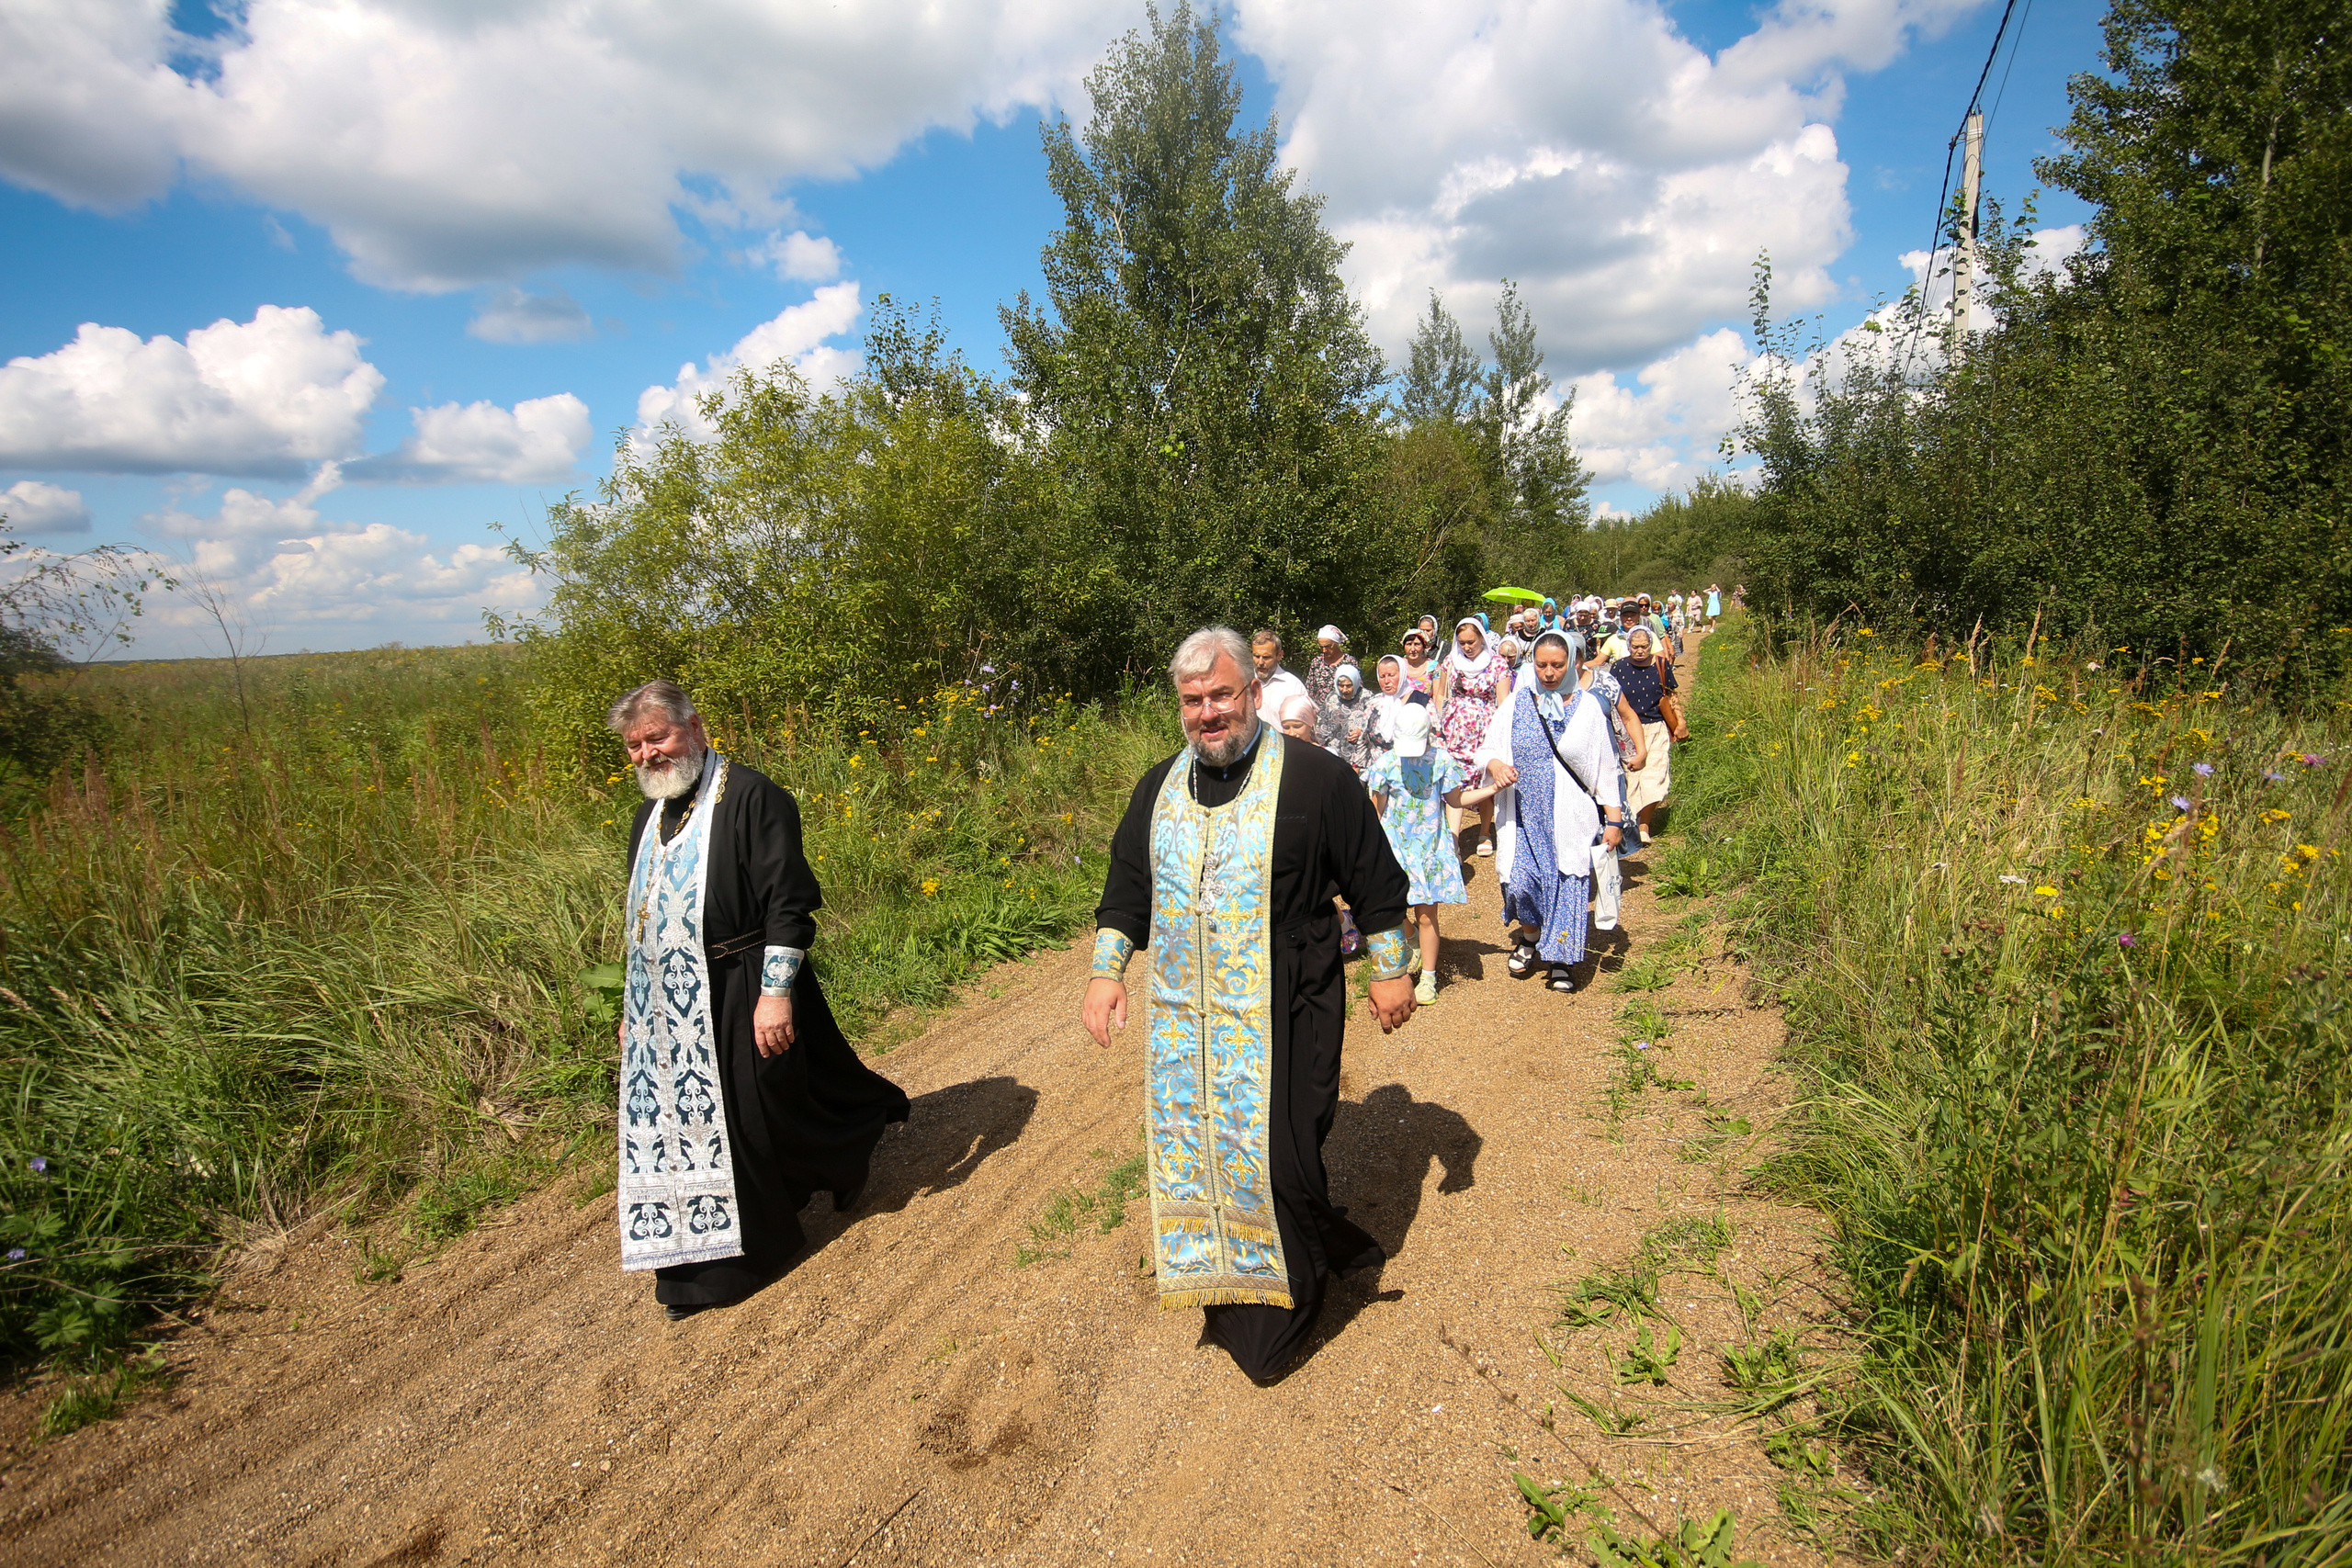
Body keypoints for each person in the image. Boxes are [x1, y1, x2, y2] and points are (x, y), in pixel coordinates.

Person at [1084, 627, 1416, 1384]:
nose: (1209, 713)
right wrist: (1107, 973)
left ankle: (1292, 1295)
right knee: (1206, 1154)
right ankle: (1239, 1279)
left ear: (1254, 695)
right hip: (1187, 1022)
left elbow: (1373, 879)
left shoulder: (1315, 779)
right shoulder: (1158, 787)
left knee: (1285, 1155)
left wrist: (1391, 972)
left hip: (1291, 1004)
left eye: (1222, 695)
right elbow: (1128, 890)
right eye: (1194, 700)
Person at [609, 680, 909, 1321]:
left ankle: (831, 1165)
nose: (647, 754)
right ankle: (703, 1266)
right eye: (635, 745)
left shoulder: (752, 796)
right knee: (695, 1128)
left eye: (656, 736)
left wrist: (776, 993)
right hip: (673, 1002)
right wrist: (634, 1013)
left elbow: (789, 902)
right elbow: (642, 921)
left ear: (695, 726)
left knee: (761, 1107)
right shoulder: (649, 815)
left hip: (747, 981)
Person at [1475, 632, 1628, 994]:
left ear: (1572, 662)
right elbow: (1488, 748)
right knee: (1520, 882)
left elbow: (1604, 767)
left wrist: (1615, 819)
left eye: (1557, 665)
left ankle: (1560, 959)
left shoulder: (1588, 707)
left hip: (1570, 817)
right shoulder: (1517, 702)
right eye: (1541, 664)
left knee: (1565, 884)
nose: (1548, 673)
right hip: (1524, 816)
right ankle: (1530, 938)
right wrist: (1496, 765)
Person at [1364, 705, 1492, 1006]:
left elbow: (1457, 800)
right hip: (1394, 849)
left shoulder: (1442, 761)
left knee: (1426, 914)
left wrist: (1492, 788)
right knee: (1391, 909)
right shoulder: (1385, 764)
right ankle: (1410, 939)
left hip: (1430, 851)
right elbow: (1376, 809)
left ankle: (1429, 977)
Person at [1436, 615, 1510, 856]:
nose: (1467, 647)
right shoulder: (1450, 661)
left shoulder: (1498, 664)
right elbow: (1441, 695)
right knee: (1453, 781)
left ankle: (1485, 832)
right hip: (1456, 729)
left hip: (1486, 728)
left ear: (1481, 638)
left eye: (1471, 642)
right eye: (1462, 642)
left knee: (1485, 778)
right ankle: (1454, 841)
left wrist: (1502, 734)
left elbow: (1504, 702)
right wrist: (1438, 724)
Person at [1612, 626, 1683, 845]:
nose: (1640, 651)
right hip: (1628, 730)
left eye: (1644, 647)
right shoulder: (1619, 668)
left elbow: (1671, 696)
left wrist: (1680, 722)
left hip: (1656, 727)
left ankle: (1644, 825)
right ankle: (1629, 823)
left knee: (1655, 775)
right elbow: (1612, 699)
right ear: (1629, 647)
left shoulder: (1661, 665)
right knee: (1631, 777)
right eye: (1635, 647)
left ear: (1650, 646)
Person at [1316, 661, 1375, 773]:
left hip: (1358, 757)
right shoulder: (1332, 698)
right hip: (1334, 755)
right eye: (1341, 685)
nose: (1344, 690)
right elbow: (1321, 727)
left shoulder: (1367, 698)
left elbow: (1375, 726)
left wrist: (1362, 732)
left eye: (1349, 685)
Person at [1252, 629, 1310, 726]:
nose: (1260, 662)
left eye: (1266, 657)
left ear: (1279, 655)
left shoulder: (1293, 686)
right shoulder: (1243, 681)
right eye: (1257, 656)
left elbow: (1304, 726)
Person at [1305, 626, 1350, 711]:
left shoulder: (1349, 662)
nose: (1324, 650)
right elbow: (1310, 690)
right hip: (1321, 713)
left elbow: (1357, 690)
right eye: (1321, 647)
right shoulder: (1317, 662)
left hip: (1344, 712)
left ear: (1336, 643)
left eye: (1328, 646)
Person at [1397, 626, 1440, 698]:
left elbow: (1438, 696)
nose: (1413, 649)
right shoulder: (1398, 665)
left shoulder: (1434, 667)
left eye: (1417, 644)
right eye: (1409, 644)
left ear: (1424, 646)